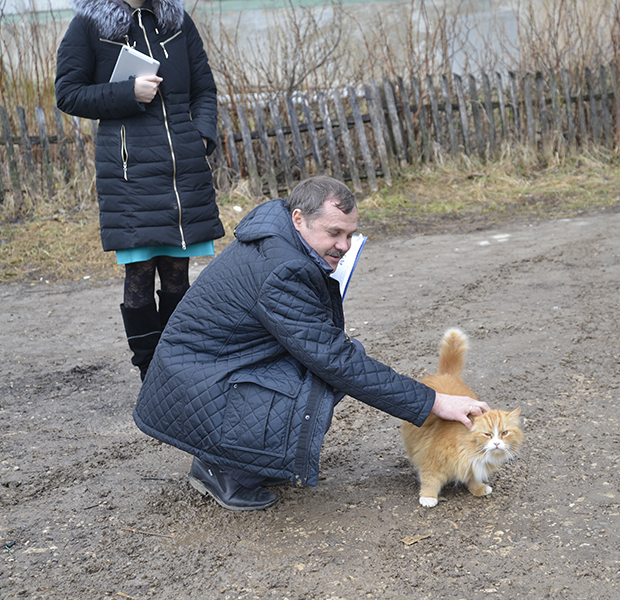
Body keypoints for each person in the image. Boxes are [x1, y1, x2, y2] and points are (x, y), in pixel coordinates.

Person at [133, 176, 489, 510]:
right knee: (322, 377)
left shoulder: (279, 238)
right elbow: (334, 359)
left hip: (202, 373)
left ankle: (242, 457)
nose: (345, 246)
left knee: (327, 368)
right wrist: (432, 401)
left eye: (350, 235)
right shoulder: (284, 270)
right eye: (334, 233)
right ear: (299, 218)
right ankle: (224, 469)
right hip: (200, 387)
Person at [55, 0, 225, 380]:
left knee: (178, 272)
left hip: (182, 172)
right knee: (141, 272)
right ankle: (152, 374)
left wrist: (200, 137)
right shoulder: (88, 25)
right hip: (130, 173)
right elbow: (68, 93)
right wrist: (127, 92)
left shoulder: (177, 21)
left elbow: (205, 91)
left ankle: (180, 368)